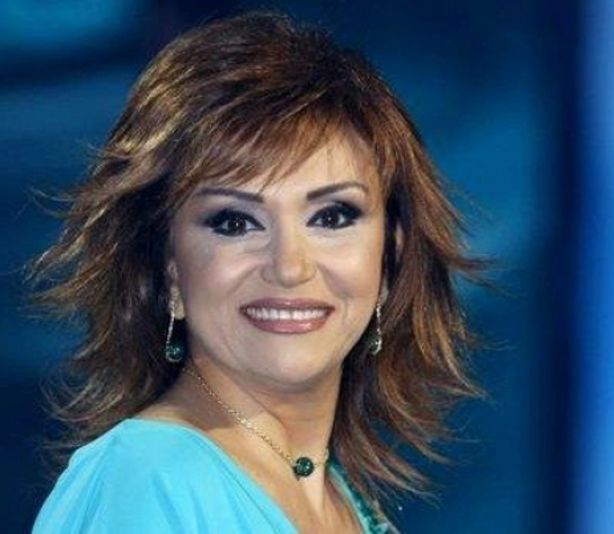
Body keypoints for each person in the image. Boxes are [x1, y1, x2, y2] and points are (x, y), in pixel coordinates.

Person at [31, 11, 482, 533]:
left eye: (331, 217)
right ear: (169, 266)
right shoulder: (147, 482)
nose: (290, 267)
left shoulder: (342, 497)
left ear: (389, 257)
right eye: (234, 222)